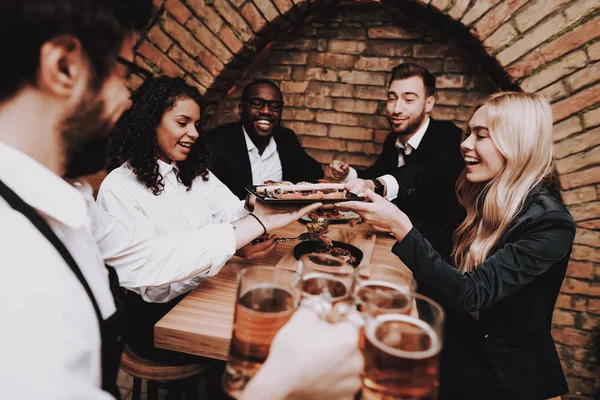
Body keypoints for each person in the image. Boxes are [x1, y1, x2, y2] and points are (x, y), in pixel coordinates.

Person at [0, 1, 361, 398]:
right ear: (63, 66)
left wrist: (264, 212)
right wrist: (280, 386)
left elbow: (146, 259)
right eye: (126, 73)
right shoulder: (16, 249)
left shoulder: (70, 201)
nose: (125, 99)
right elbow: (149, 280)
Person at [340, 92, 575, 400]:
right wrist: (382, 222)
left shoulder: (551, 222)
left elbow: (471, 293)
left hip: (505, 373)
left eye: (482, 135)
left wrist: (400, 225)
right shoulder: (484, 192)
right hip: (460, 339)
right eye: (469, 133)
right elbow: (446, 241)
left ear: (517, 143)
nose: (465, 144)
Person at [97, 76, 279, 369]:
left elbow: (233, 213)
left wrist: (259, 204)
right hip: (153, 319)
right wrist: (230, 246)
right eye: (183, 123)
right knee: (250, 346)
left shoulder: (195, 172)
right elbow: (153, 287)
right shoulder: (119, 188)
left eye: (196, 124)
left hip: (200, 292)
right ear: (151, 122)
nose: (193, 133)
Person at [329, 63, 465, 259]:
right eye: (391, 99)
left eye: (408, 99)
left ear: (429, 103)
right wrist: (348, 175)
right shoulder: (393, 140)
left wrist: (377, 185)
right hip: (389, 245)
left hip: (437, 253)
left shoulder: (449, 137)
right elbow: (378, 173)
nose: (395, 109)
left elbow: (420, 173)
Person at [205, 79, 324, 199]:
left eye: (275, 106)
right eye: (257, 103)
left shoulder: (285, 138)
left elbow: (313, 175)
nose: (266, 111)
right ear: (241, 108)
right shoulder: (217, 142)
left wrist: (283, 188)